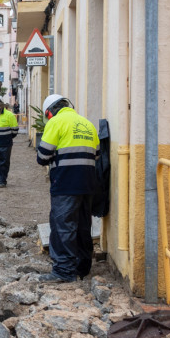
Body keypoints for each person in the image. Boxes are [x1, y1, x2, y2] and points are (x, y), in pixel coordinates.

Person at [35, 93, 100, 283]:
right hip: (87, 183)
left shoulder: (56, 123)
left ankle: (64, 271)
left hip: (65, 183)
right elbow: (96, 153)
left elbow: (42, 156)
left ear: (50, 112)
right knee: (82, 225)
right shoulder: (86, 123)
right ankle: (82, 267)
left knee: (63, 226)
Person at [0, 106, 19, 187]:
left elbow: (15, 130)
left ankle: (2, 181)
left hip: (5, 144)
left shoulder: (9, 115)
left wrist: (7, 138)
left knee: (4, 163)